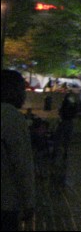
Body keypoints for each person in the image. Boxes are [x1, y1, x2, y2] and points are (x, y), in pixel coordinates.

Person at [1, 70, 35, 231]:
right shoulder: (11, 117)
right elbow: (21, 164)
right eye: (23, 90)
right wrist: (28, 201)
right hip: (6, 202)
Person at [55, 92, 79, 160]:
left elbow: (61, 112)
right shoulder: (72, 105)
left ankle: (58, 151)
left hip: (64, 121)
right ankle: (65, 151)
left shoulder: (64, 104)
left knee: (60, 137)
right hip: (68, 122)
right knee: (66, 138)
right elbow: (75, 112)